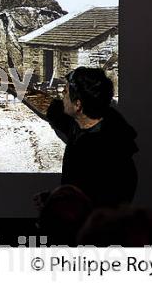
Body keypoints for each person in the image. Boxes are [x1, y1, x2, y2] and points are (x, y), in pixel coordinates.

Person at [45, 67, 138, 208]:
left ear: (78, 105)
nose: (62, 93)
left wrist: (59, 204)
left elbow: (98, 207)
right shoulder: (80, 121)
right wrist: (54, 198)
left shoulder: (112, 156)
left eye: (66, 91)